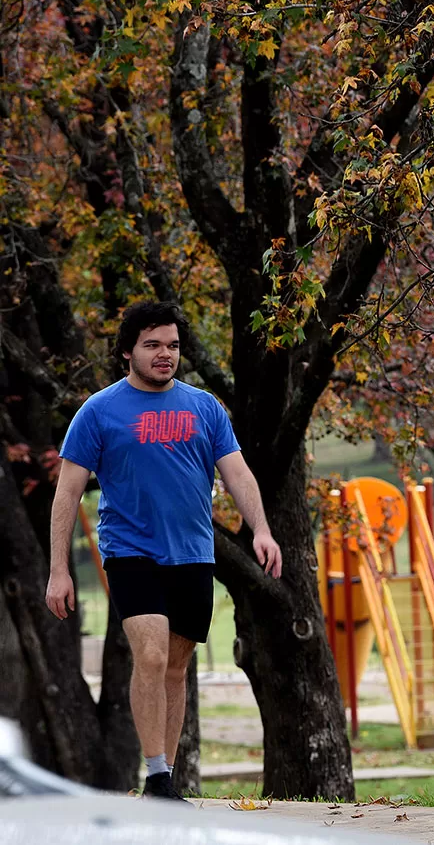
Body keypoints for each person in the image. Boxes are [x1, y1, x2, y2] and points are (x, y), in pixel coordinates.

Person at [44, 302, 282, 802]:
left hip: (193, 553)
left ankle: (165, 778)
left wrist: (260, 528)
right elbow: (67, 494)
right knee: (149, 655)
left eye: (172, 346)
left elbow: (236, 473)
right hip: (130, 551)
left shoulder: (205, 408)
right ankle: (155, 773)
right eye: (152, 345)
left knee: (175, 667)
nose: (164, 354)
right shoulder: (99, 411)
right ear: (127, 351)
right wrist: (58, 570)